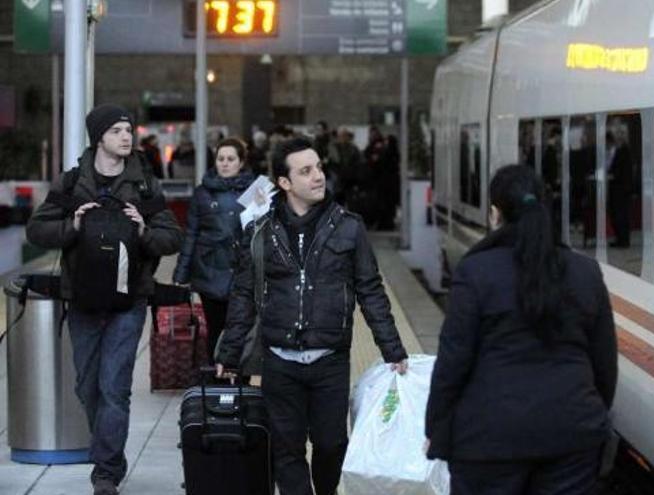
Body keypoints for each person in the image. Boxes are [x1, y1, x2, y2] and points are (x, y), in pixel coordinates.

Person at [215, 137, 409, 495]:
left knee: (331, 445)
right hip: (279, 361)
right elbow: (243, 294)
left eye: (318, 167)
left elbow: (370, 290)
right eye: (306, 171)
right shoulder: (260, 231)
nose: (318, 176)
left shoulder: (349, 227)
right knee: (286, 450)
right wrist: (229, 355)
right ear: (285, 183)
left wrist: (393, 350)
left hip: (330, 361)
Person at [425, 165, 617, 495]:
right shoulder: (585, 271)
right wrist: (587, 413)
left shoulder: (475, 271)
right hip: (572, 433)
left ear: (495, 214)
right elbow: (605, 364)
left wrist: (437, 429)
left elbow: (453, 362)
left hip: (488, 439)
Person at [26, 104, 184, 495]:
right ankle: (107, 453)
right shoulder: (73, 182)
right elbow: (37, 230)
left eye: (128, 130)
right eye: (116, 131)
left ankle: (106, 471)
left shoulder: (144, 183)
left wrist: (145, 229)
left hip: (128, 302)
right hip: (81, 299)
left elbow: (171, 237)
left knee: (115, 386)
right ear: (99, 138)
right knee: (87, 386)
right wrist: (72, 225)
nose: (126, 137)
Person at [173, 137, 255, 363]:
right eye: (221, 159)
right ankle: (216, 383)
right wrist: (181, 272)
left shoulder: (256, 190)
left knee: (241, 331)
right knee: (215, 329)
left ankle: (239, 385)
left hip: (243, 272)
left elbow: (265, 232)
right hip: (210, 271)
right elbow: (191, 233)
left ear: (241, 162)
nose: (225, 163)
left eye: (231, 159)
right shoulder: (202, 193)